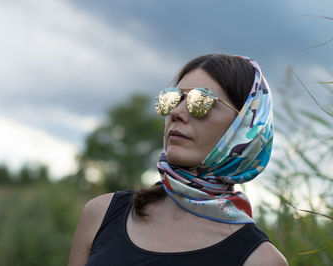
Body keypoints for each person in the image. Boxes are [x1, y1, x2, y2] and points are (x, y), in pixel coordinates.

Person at [68, 54, 288, 266]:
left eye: (200, 101)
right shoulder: (101, 214)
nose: (177, 112)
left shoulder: (261, 260)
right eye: (173, 99)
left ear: (244, 126)